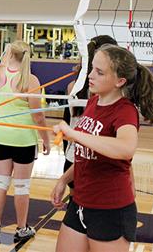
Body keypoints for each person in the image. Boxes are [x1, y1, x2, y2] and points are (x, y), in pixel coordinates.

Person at [51, 44, 153, 252]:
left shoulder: (125, 111)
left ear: (119, 81)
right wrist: (63, 180)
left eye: (100, 72)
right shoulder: (94, 102)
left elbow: (126, 148)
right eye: (92, 69)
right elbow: (88, 157)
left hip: (110, 210)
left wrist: (75, 134)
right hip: (80, 203)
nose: (90, 76)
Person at [0, 40, 51, 242]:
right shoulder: (30, 80)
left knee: (1, 182)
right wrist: (46, 140)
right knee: (22, 186)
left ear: (9, 53)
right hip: (22, 138)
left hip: (0, 135)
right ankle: (21, 228)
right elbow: (38, 116)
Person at [62, 35, 118, 201]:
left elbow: (67, 124)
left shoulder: (73, 86)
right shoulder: (107, 92)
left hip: (72, 155)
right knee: (93, 209)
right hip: (94, 159)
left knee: (76, 207)